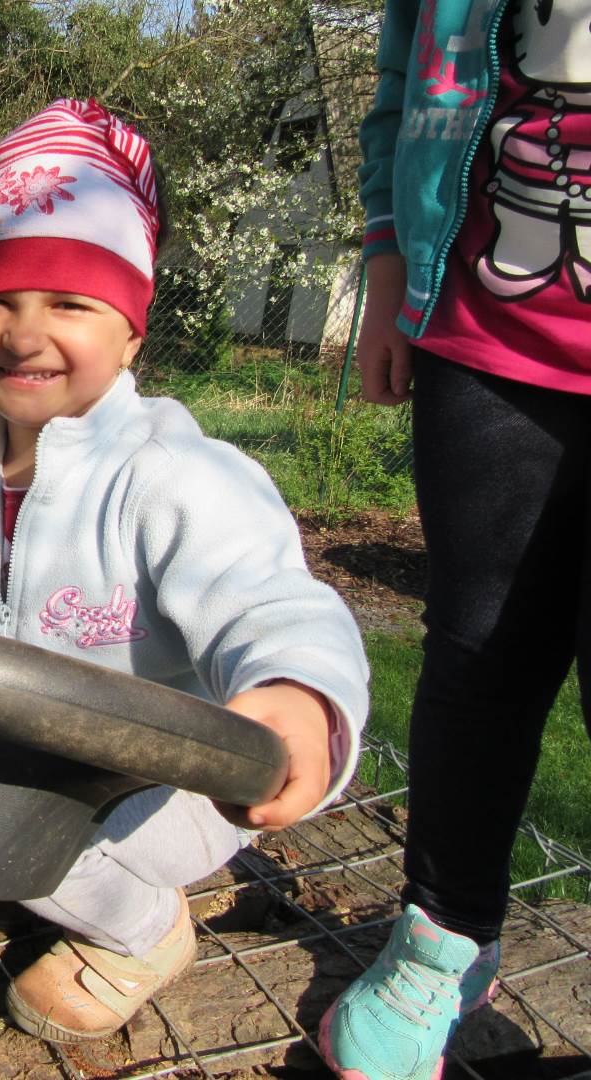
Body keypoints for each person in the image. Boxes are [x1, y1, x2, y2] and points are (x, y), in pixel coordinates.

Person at [0, 98, 370, 1043]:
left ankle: (145, 932)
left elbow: (272, 606)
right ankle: (17, 863)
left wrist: (296, 696)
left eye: (69, 304)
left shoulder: (174, 477)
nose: (25, 334)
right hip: (21, 757)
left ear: (133, 331)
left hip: (163, 787)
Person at [318, 0, 590, 1076]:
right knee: (479, 653)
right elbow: (400, 85)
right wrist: (389, 265)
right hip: (486, 333)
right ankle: (444, 940)